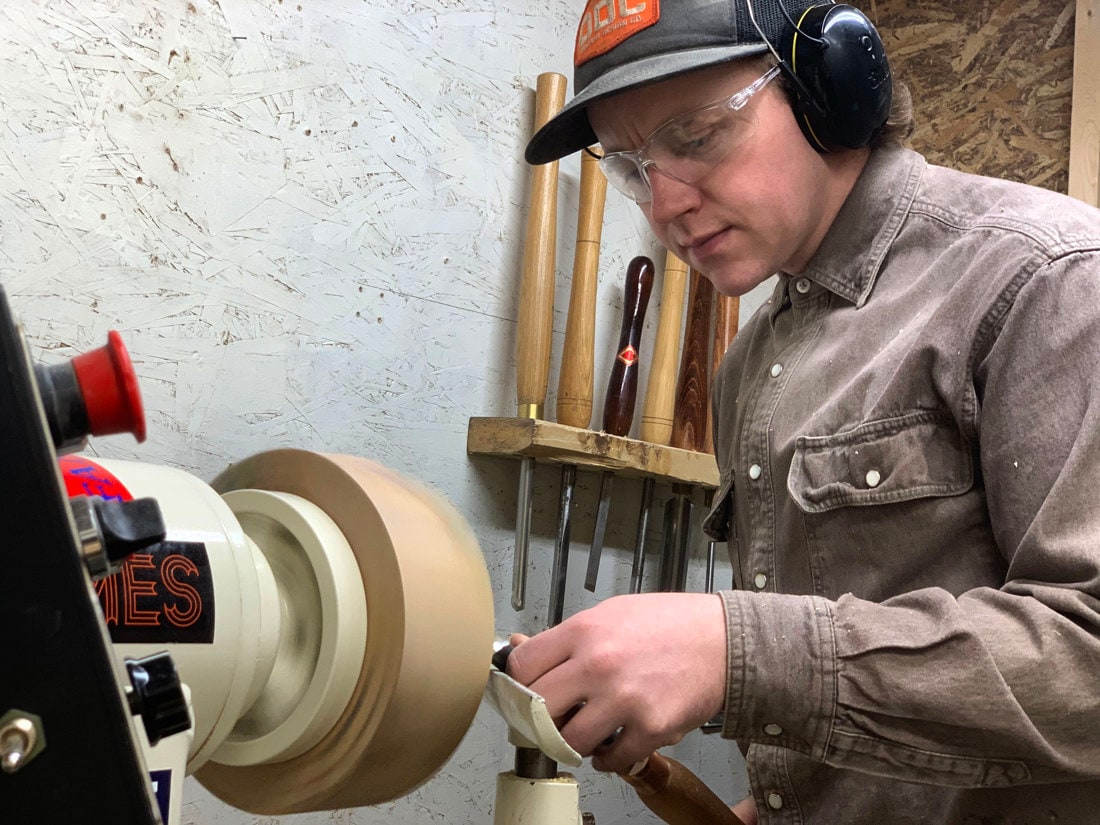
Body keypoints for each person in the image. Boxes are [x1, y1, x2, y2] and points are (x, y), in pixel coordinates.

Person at [505, 0, 1100, 822]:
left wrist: (734, 652)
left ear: (834, 88)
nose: (665, 203)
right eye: (634, 166)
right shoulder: (749, 364)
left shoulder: (1047, 280)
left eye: (696, 136)